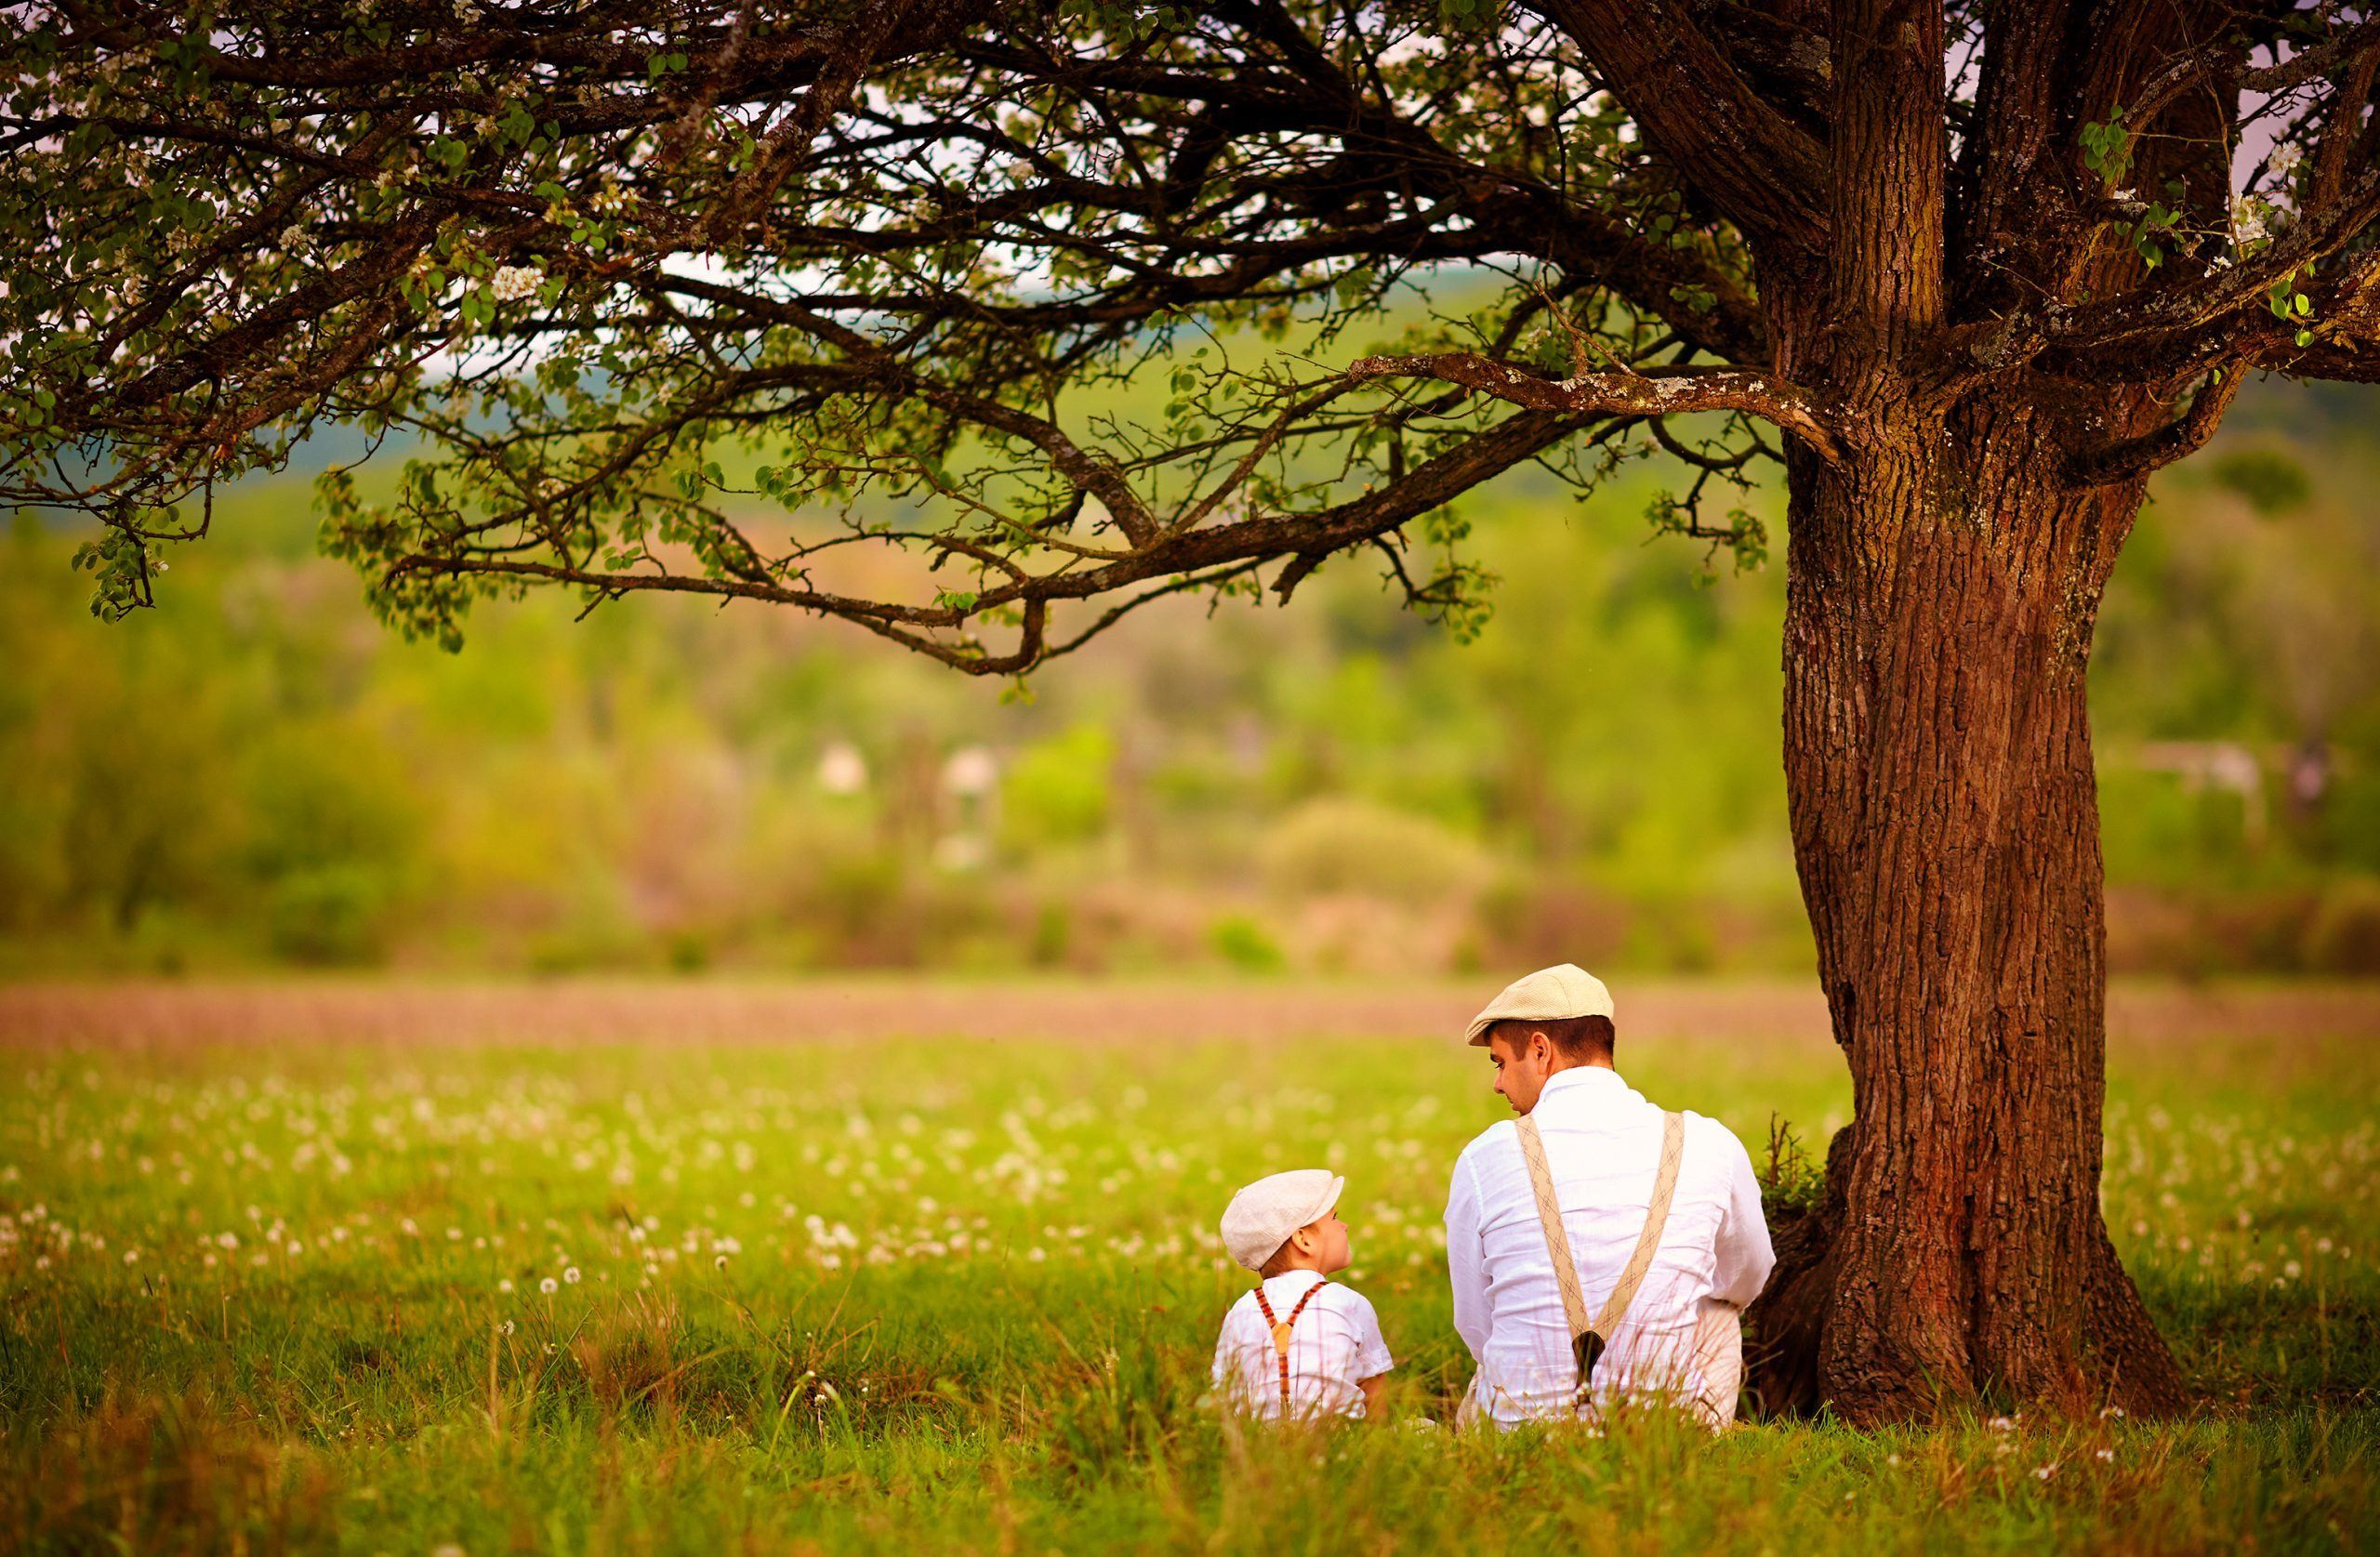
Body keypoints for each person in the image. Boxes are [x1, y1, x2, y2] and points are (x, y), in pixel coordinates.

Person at [1444, 964, 1773, 1428]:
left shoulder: (1484, 1157)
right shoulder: (1708, 1142)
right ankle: (1700, 1441)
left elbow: (1476, 1324)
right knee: (1718, 1309)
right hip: (1661, 1434)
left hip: (1522, 1433)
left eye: (1500, 1062)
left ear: (1540, 1050)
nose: (1497, 1083)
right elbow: (1748, 1278)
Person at [1210, 1168, 1395, 1421]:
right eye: (1334, 1217)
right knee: (1425, 1428)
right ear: (1303, 1240)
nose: (1345, 1225)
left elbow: (1227, 1392)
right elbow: (1374, 1392)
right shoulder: (1349, 1304)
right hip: (1340, 1441)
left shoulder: (1240, 1311)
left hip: (1260, 1445)